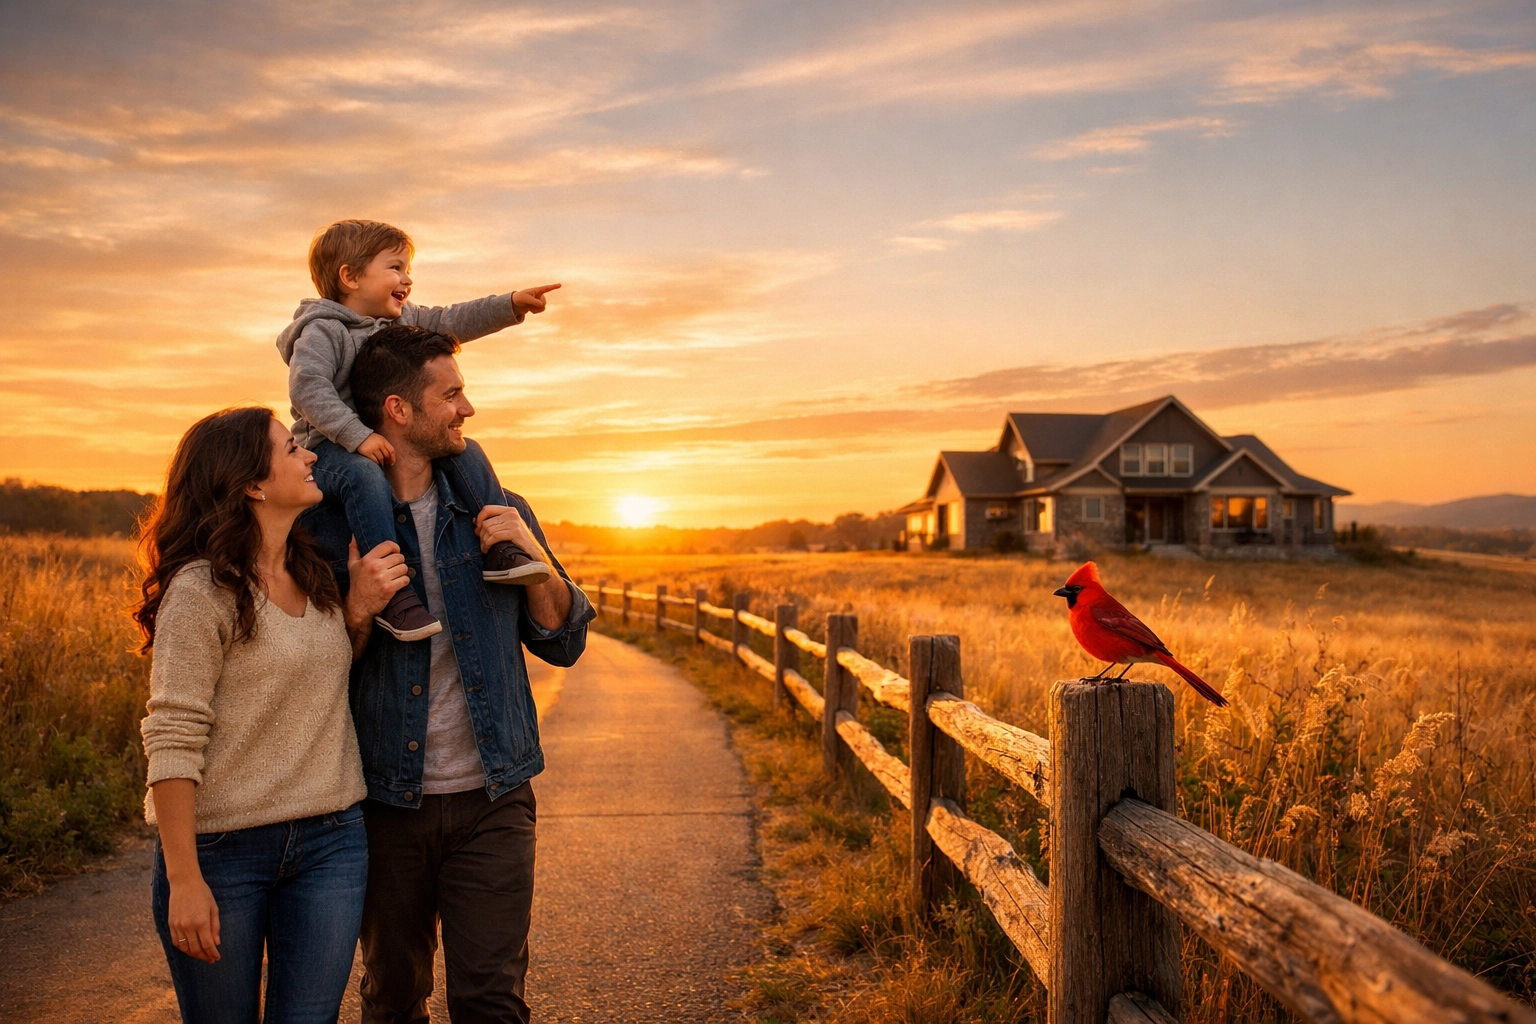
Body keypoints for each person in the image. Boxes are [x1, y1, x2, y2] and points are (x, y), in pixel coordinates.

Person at [298, 323, 594, 1023]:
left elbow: (563, 643)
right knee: (393, 996)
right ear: (398, 410)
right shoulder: (327, 532)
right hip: (381, 805)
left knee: (491, 999)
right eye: (452, 394)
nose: (468, 409)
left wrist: (539, 566)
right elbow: (303, 678)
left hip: (495, 796)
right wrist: (360, 611)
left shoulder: (499, 510)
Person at [135, 406, 412, 1023]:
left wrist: (358, 613)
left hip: (331, 843)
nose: (310, 454)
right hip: (222, 850)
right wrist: (184, 878)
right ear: (252, 484)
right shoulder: (201, 591)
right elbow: (173, 735)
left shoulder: (313, 572)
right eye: (292, 448)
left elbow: (322, 681)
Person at [276, 218, 562, 642]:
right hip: (331, 447)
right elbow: (307, 388)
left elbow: (451, 319)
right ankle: (393, 593)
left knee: (469, 450)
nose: (407, 279)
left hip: (368, 439)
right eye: (395, 267)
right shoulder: (322, 330)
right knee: (364, 476)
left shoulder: (402, 320)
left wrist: (510, 304)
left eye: (408, 269)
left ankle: (500, 546)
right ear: (350, 276)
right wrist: (357, 435)